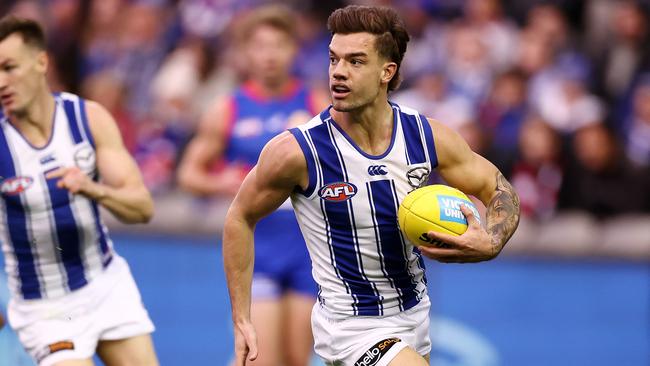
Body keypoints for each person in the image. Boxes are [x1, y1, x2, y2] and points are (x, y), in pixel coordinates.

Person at [223, 5, 520, 366]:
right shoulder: (298, 151)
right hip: (350, 328)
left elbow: (499, 187)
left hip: (415, 314)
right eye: (334, 59)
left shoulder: (426, 136)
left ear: (387, 71)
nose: (339, 73)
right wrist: (242, 318)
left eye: (356, 61)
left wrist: (491, 239)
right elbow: (239, 216)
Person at [0, 16, 158, 366]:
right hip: (44, 307)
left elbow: (142, 208)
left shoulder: (88, 119)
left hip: (105, 284)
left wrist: (93, 189)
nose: (1, 82)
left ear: (41, 62)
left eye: (9, 67)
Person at [177, 6, 328, 366]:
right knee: (262, 359)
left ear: (294, 49)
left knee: (298, 357)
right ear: (246, 53)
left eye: (279, 45)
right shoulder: (229, 108)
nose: (270, 55)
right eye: (261, 46)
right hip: (257, 248)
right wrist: (219, 182)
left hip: (308, 247)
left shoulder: (316, 104)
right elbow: (189, 173)